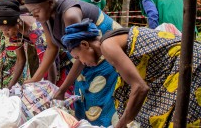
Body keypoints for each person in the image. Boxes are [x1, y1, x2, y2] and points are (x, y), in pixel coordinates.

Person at [61, 19, 201, 127]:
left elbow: (140, 88)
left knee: (180, 119)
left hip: (190, 63)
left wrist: (121, 124)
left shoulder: (108, 46)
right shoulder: (111, 41)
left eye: (78, 57)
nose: (81, 62)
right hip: (185, 62)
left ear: (85, 44)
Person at [23, 0, 122, 127]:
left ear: (50, 2)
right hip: (83, 59)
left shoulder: (70, 15)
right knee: (82, 101)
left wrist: (62, 89)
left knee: (100, 103)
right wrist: (35, 79)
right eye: (31, 12)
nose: (34, 16)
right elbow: (52, 47)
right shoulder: (45, 15)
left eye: (35, 11)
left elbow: (83, 51)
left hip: (105, 56)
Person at [0, 0, 59, 88]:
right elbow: (21, 60)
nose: (6, 34)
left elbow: (50, 61)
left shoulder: (37, 30)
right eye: (3, 31)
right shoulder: (14, 31)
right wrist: (9, 87)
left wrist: (51, 88)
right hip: (48, 60)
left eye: (7, 30)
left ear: (17, 22)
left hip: (62, 56)